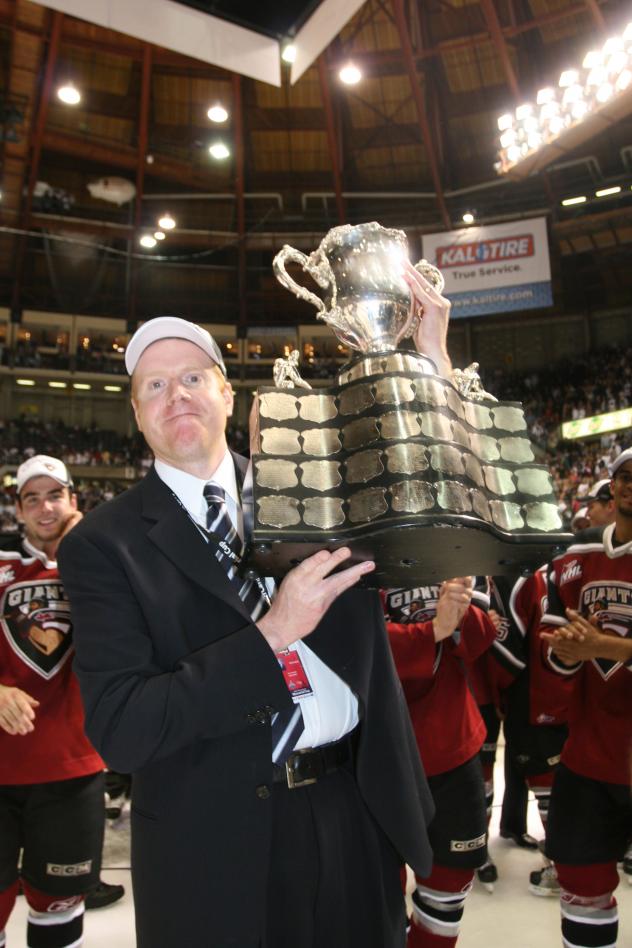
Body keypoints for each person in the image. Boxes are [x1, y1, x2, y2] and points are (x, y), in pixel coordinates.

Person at [58, 261, 447, 948]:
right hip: (212, 849)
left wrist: (429, 365)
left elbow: (437, 513)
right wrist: (272, 635)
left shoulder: (319, 487)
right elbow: (123, 727)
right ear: (137, 415)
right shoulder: (102, 544)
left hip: (354, 812)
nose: (175, 395)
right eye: (154, 386)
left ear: (227, 395)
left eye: (192, 377)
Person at [0, 455, 121, 948]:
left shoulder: (106, 568)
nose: (45, 507)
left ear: (74, 501)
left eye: (55, 495)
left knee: (58, 911)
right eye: (33, 498)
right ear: (18, 510)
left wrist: (87, 549)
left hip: (72, 772)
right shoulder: (2, 566)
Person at [540, 447, 632, 948]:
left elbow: (601, 646)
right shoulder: (575, 555)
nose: (630, 485)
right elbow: (555, 655)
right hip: (592, 754)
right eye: (624, 476)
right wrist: (573, 654)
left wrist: (606, 645)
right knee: (582, 885)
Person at [384, 576, 497, 944]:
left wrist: (461, 617)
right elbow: (346, 643)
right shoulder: (346, 541)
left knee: (448, 890)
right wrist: (434, 630)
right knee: (378, 893)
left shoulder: (454, 539)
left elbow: (482, 639)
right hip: (375, 753)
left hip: (452, 744)